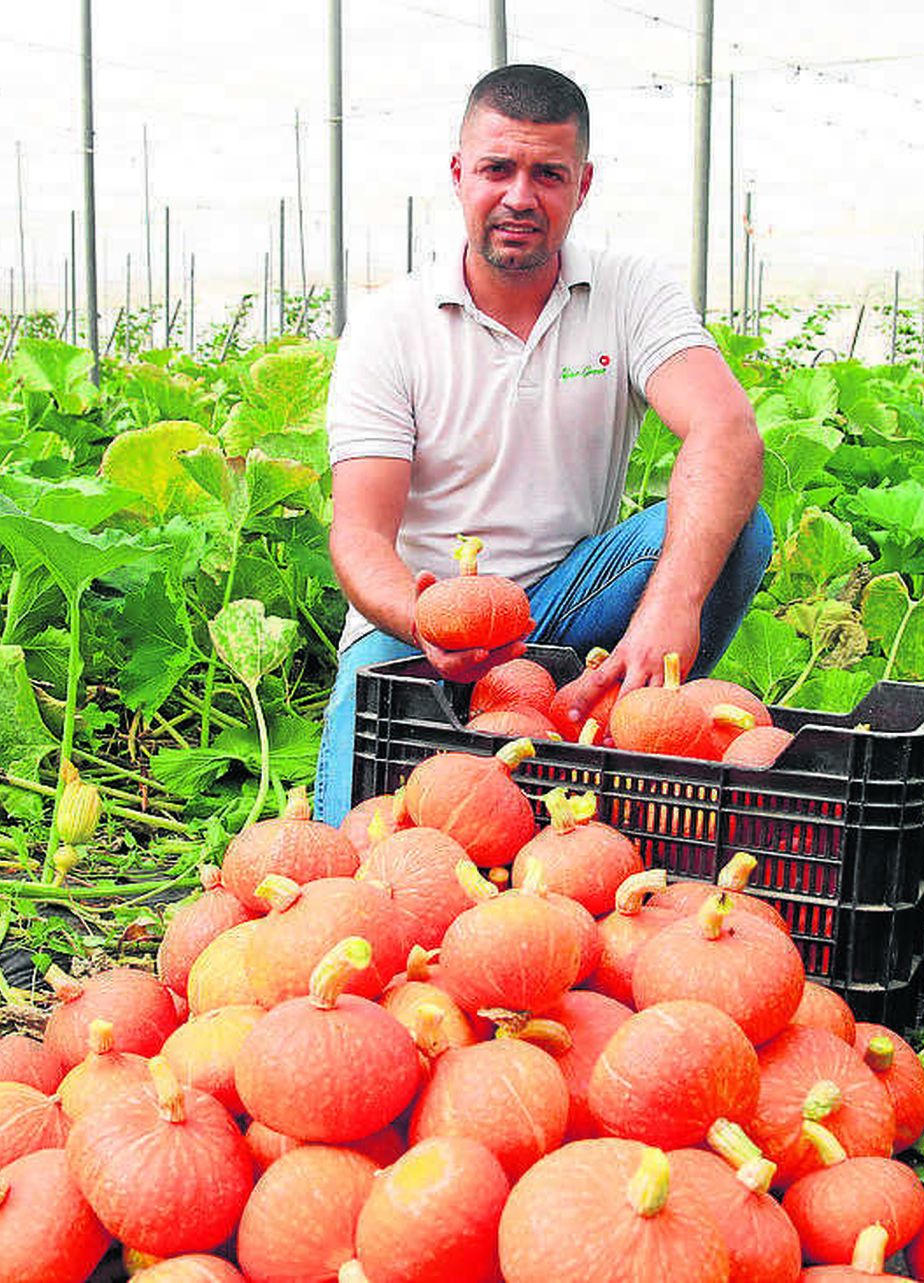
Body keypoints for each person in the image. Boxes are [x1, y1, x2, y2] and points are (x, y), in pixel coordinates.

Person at [314, 62, 772, 827]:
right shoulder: (391, 325)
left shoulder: (630, 292)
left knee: (736, 532)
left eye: (548, 174)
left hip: (564, 604)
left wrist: (671, 609)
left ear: (582, 185)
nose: (520, 195)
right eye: (498, 167)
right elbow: (360, 533)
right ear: (460, 174)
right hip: (415, 632)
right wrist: (426, 617)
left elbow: (727, 430)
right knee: (354, 854)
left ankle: (626, 742)